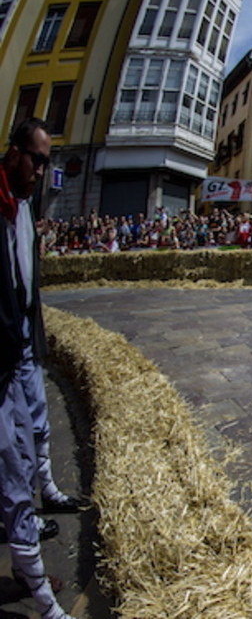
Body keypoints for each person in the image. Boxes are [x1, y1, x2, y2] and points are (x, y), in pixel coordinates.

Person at [1, 118, 77, 619]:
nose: (43, 170)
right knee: (11, 472)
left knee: (33, 432)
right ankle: (45, 603)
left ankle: (27, 564)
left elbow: (26, 279)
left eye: (48, 161)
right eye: (37, 159)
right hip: (0, 357)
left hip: (19, 345)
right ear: (13, 153)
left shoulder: (26, 204)